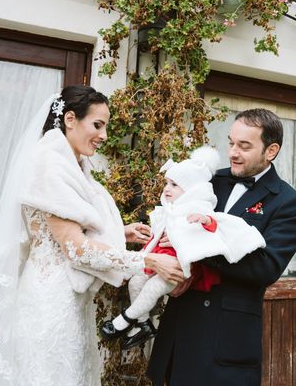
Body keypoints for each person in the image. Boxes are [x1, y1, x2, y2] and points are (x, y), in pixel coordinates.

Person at [0, 85, 183, 386]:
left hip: (67, 296)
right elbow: (76, 249)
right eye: (97, 125)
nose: (103, 135)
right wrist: (148, 261)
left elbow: (69, 226)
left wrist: (123, 232)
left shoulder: (71, 165)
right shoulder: (50, 165)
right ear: (69, 119)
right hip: (50, 299)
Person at [147, 108, 296, 386]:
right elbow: (172, 218)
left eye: (244, 146)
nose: (233, 152)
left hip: (226, 336)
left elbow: (266, 267)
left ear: (271, 150)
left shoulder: (288, 202)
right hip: (180, 324)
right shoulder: (209, 181)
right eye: (231, 143)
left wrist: (196, 250)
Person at [101, 146, 266, 351]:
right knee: (135, 282)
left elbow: (213, 227)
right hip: (158, 261)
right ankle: (143, 324)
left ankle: (124, 320)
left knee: (153, 288)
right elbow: (157, 237)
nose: (167, 189)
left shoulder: (197, 209)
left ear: (191, 190)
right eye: (167, 183)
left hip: (179, 268)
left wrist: (204, 220)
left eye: (174, 185)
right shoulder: (169, 211)